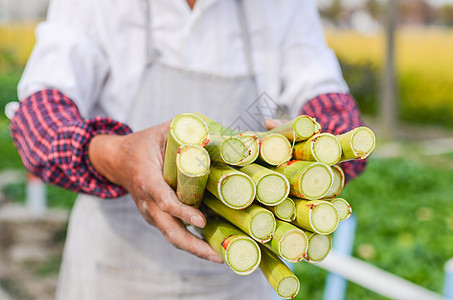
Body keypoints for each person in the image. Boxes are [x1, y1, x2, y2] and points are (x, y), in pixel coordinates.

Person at [10, 0, 367, 299]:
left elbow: (334, 110)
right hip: (112, 272)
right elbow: (38, 121)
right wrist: (117, 156)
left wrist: (303, 158)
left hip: (239, 278)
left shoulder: (282, 6)